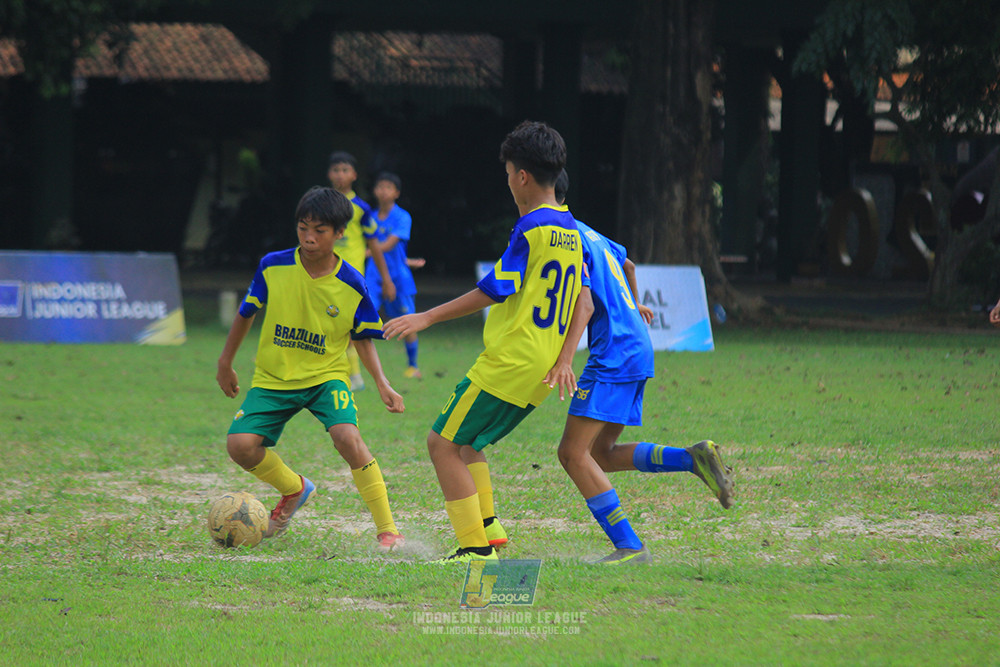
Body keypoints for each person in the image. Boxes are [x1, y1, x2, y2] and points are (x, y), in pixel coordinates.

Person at [383, 120, 583, 563]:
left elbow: (495, 289)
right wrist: (566, 356)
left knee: (441, 444)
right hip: (543, 368)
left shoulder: (531, 228)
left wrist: (427, 316)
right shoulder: (573, 232)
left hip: (510, 362)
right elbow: (584, 301)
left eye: (509, 172)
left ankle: (475, 549)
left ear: (523, 177)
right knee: (469, 443)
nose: (509, 181)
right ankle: (489, 529)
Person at [544, 169, 735, 564]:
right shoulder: (591, 233)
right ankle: (692, 457)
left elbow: (586, 304)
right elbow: (627, 264)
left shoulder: (563, 237)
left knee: (571, 454)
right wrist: (635, 303)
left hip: (612, 352)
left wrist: (565, 359)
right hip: (636, 346)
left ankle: (629, 545)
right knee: (602, 454)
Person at [216, 186, 406, 552]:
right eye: (303, 227)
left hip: (326, 377)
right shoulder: (274, 265)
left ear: (339, 234)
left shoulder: (352, 282)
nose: (309, 237)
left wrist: (381, 382)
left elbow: (362, 337)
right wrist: (225, 362)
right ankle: (294, 489)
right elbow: (246, 313)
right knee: (240, 446)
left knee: (347, 438)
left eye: (319, 230)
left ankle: (388, 530)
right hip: (273, 377)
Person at [327, 151, 396, 391]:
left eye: (345, 170)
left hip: (350, 278)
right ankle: (340, 374)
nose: (340, 175)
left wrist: (386, 279)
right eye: (336, 170)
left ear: (354, 175)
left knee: (348, 326)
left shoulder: (362, 209)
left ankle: (355, 376)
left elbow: (374, 245)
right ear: (329, 174)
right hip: (323, 275)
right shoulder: (321, 205)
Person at [365, 171, 422, 379]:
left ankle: (412, 365)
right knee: (359, 316)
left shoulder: (402, 217)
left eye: (388, 187)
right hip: (373, 275)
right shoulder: (369, 217)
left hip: (398, 277)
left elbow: (389, 245)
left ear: (396, 192)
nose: (383, 191)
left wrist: (364, 253)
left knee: (407, 320)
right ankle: (351, 368)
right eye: (380, 186)